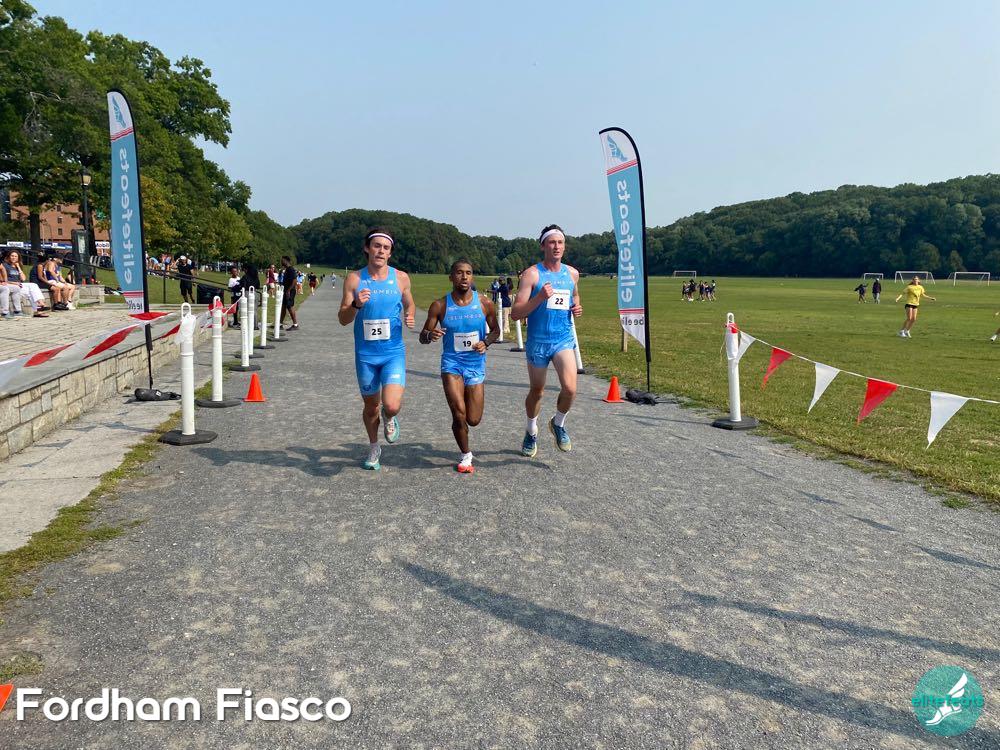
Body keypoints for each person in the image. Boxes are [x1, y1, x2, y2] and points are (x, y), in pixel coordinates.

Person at [338, 229, 416, 471]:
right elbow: (343, 319)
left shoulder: (401, 278)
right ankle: (374, 447)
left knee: (390, 405)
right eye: (376, 246)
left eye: (386, 247)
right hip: (366, 355)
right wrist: (356, 304)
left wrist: (410, 314)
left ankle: (390, 417)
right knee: (371, 407)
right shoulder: (354, 279)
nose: (381, 251)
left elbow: (410, 303)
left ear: (390, 252)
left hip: (393, 353)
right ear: (367, 248)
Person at [419, 260, 500, 473]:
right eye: (459, 273)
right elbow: (422, 336)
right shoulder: (440, 305)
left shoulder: (484, 303)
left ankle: (464, 425)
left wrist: (486, 342)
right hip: (452, 364)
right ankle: (465, 455)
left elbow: (496, 330)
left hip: (475, 365)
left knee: (473, 419)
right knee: (458, 413)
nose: (464, 277)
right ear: (451, 277)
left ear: (472, 277)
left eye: (468, 273)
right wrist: (430, 335)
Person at [511, 224, 583, 457]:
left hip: (563, 339)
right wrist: (540, 297)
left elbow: (574, 296)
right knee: (537, 391)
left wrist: (576, 307)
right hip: (538, 341)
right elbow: (516, 313)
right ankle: (531, 430)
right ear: (543, 246)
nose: (556, 246)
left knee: (570, 388)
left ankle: (558, 424)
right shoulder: (532, 275)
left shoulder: (572, 274)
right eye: (552, 242)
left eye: (560, 242)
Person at [1, 251, 47, 317]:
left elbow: (23, 279)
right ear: (9, 257)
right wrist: (14, 283)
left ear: (18, 258)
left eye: (15, 256)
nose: (14, 258)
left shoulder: (17, 266)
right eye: (12, 256)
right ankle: (39, 307)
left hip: (19, 285)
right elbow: (3, 280)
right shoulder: (5, 265)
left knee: (32, 288)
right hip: (11, 285)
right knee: (31, 289)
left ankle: (39, 307)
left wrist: (18, 267)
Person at [279, 256, 300, 330]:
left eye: (282, 260)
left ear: (286, 261)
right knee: (283, 307)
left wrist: (288, 290)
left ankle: (295, 325)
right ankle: (280, 324)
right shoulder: (287, 269)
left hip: (290, 291)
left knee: (290, 307)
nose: (281, 262)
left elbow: (295, 280)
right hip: (286, 290)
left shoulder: (291, 269)